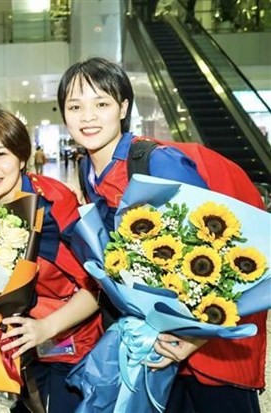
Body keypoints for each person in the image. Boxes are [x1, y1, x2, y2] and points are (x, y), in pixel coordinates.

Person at [57, 57, 266, 413]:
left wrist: (195, 337)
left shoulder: (157, 162)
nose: (87, 116)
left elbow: (219, 250)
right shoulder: (86, 170)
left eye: (101, 103)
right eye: (75, 106)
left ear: (123, 107)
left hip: (205, 346)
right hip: (153, 340)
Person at [0, 109, 103, 412]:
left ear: (22, 157)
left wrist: (45, 328)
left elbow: (98, 287)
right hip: (16, 351)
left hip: (69, 346)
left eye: (1, 154)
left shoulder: (53, 205)